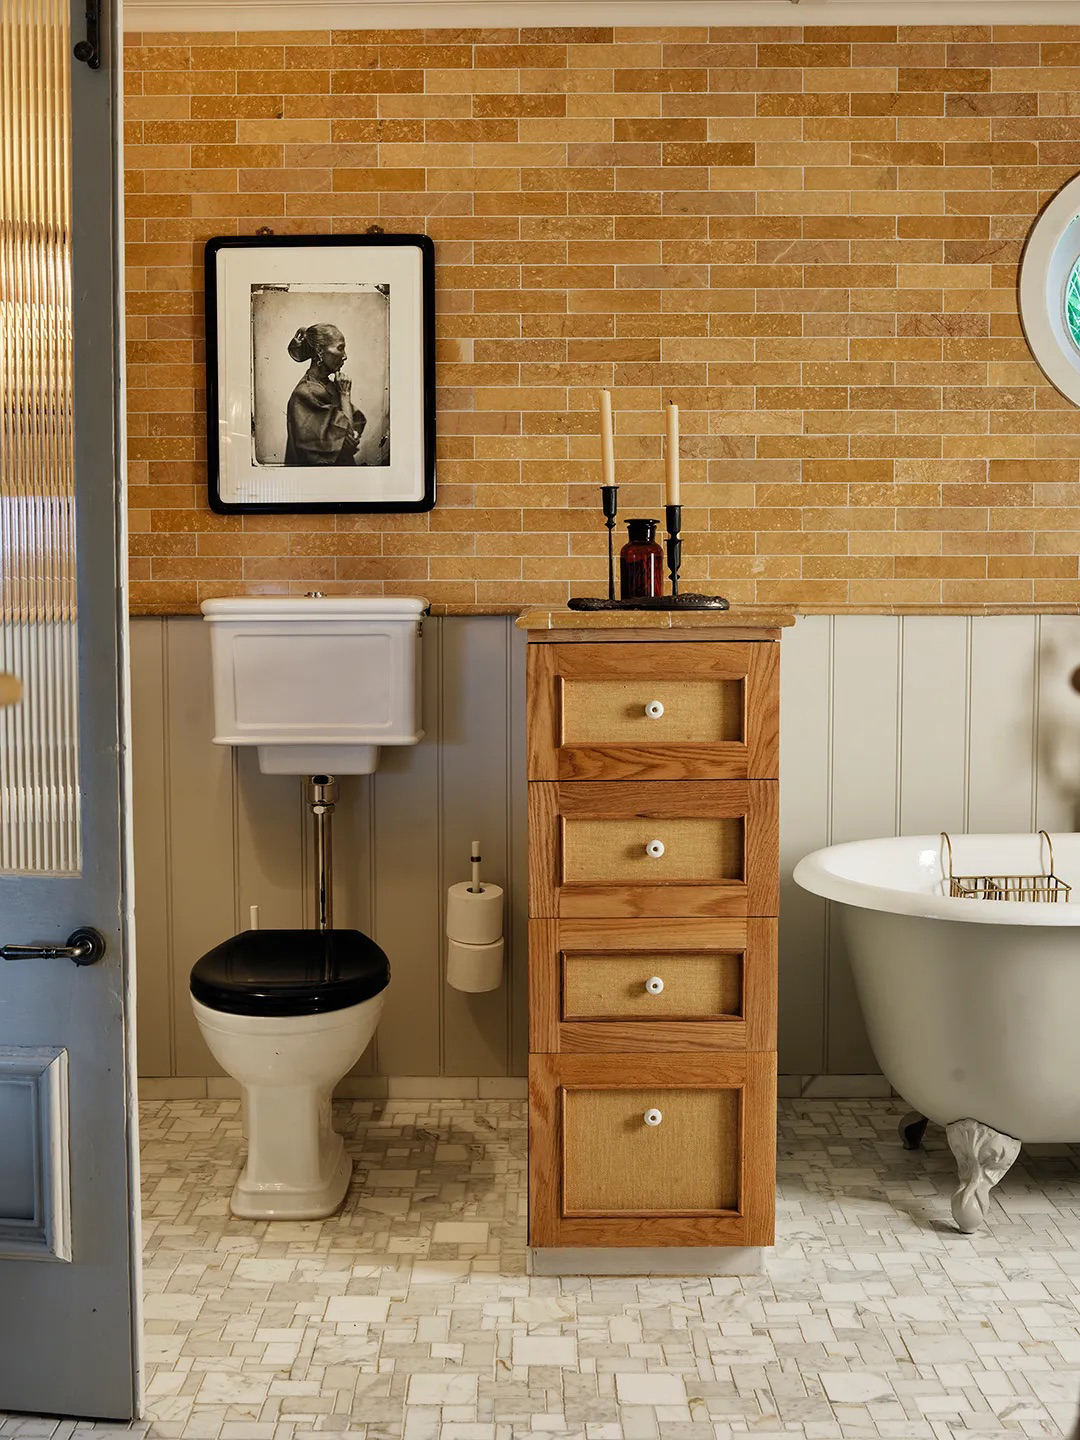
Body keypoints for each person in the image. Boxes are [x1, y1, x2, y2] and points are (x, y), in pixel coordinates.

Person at [284, 323, 366, 466]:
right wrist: (345, 395)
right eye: (340, 348)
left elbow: (351, 432)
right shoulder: (303, 394)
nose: (345, 356)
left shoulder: (330, 386)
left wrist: (350, 437)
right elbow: (344, 440)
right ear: (320, 352)